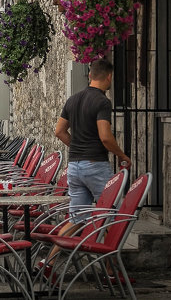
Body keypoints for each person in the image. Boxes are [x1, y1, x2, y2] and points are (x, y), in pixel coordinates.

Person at [55, 57, 132, 223]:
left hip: (74, 167)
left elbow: (59, 131)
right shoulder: (102, 102)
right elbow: (105, 137)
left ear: (90, 75)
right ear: (109, 77)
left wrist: (77, 146)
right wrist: (121, 155)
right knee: (112, 215)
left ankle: (57, 249)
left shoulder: (72, 100)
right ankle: (109, 248)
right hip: (95, 165)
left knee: (77, 220)